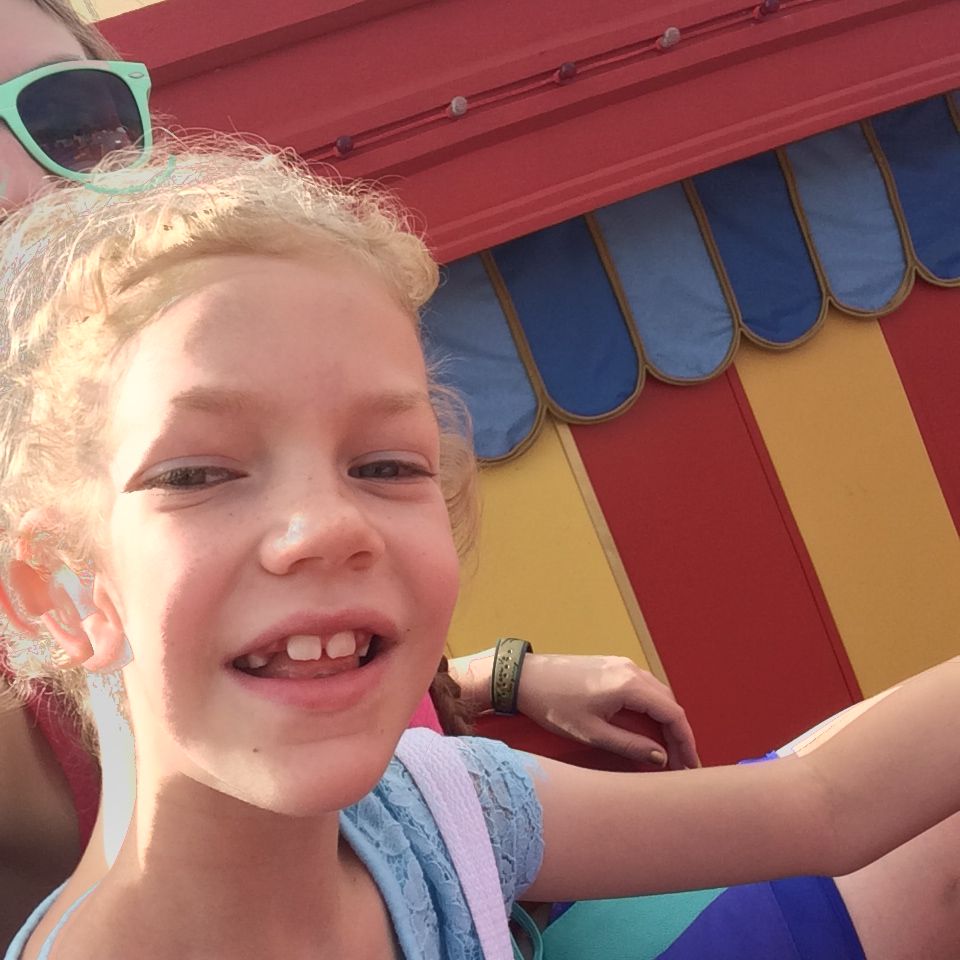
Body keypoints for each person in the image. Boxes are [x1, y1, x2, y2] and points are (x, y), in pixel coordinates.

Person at [1, 139, 959, 960]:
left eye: (385, 465)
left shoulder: (440, 811)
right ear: (56, 594)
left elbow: (827, 806)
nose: (331, 525)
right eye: (198, 474)